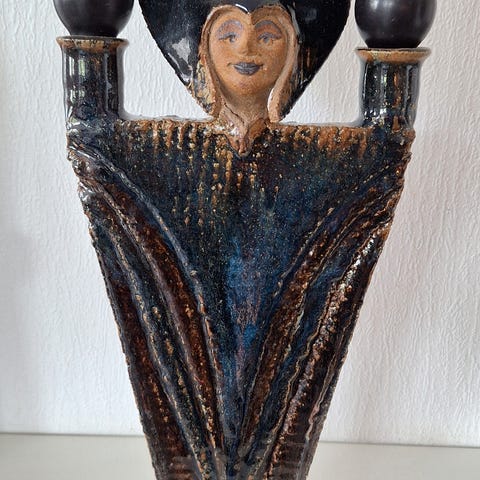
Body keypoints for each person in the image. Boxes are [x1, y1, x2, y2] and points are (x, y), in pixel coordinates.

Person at [195, 5, 298, 155]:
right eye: (231, 37)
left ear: (290, 51)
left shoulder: (307, 143)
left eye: (266, 38)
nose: (246, 48)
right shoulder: (177, 138)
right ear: (205, 50)